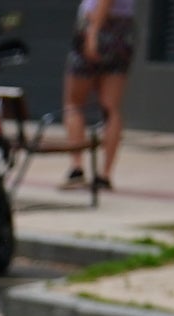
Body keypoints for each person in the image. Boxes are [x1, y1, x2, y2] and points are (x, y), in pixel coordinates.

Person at [61, 0, 133, 190]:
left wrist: (93, 32)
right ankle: (105, 174)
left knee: (74, 103)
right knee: (111, 107)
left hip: (96, 26)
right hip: (123, 30)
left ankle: (77, 167)